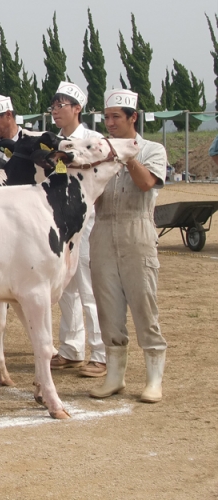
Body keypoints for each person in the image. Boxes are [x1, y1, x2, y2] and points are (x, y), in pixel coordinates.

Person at [90, 89, 168, 403]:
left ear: (133, 117)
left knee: (143, 303)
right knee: (107, 306)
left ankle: (153, 379)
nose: (109, 123)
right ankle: (114, 376)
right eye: (106, 117)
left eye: (116, 117)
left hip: (138, 230)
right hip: (103, 229)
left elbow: (147, 183)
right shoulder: (98, 151)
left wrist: (127, 156)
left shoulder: (153, 149)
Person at [48, 81, 107, 377]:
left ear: (77, 109)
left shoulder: (95, 140)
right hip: (63, 221)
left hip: (87, 221)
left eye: (61, 105)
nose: (55, 111)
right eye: (53, 106)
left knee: (88, 287)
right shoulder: (56, 142)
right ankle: (71, 349)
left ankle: (101, 353)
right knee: (67, 284)